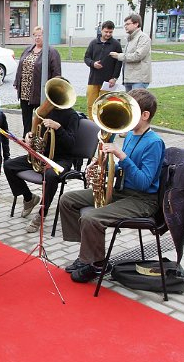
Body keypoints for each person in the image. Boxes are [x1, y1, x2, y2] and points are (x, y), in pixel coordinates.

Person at [60, 89, 165, 283]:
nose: (127, 118)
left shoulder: (155, 143)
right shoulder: (132, 135)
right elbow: (124, 169)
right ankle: (86, 255)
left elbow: (143, 182)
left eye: (131, 112)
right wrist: (101, 165)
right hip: (123, 191)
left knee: (91, 217)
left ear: (145, 115)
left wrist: (121, 156)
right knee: (68, 200)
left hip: (142, 199)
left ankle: (98, 265)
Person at [3, 93, 79, 233]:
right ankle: (29, 198)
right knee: (8, 165)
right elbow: (36, 132)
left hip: (61, 159)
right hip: (42, 155)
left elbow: (71, 144)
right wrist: (29, 136)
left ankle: (42, 213)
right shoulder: (46, 111)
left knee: (50, 176)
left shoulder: (72, 116)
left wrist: (59, 128)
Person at [14, 26, 62, 137]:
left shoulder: (52, 52)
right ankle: (26, 137)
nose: (37, 38)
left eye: (39, 35)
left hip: (40, 92)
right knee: (26, 118)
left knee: (40, 118)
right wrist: (17, 82)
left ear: (45, 36)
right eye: (35, 35)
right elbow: (20, 66)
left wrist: (52, 91)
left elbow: (57, 73)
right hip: (25, 91)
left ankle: (39, 138)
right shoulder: (28, 49)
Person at [84, 20, 122, 120]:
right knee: (91, 103)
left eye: (110, 32)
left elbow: (119, 62)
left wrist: (114, 78)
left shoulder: (116, 44)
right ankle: (92, 124)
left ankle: (103, 125)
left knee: (104, 106)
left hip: (107, 81)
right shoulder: (93, 43)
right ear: (101, 30)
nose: (108, 34)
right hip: (93, 79)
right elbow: (86, 58)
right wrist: (93, 64)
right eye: (106, 32)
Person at [109, 14, 151, 92]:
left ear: (136, 24)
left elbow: (138, 56)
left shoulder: (143, 38)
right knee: (129, 103)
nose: (125, 26)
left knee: (137, 102)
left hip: (139, 79)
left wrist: (119, 56)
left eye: (128, 24)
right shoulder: (130, 39)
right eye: (125, 24)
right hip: (129, 78)